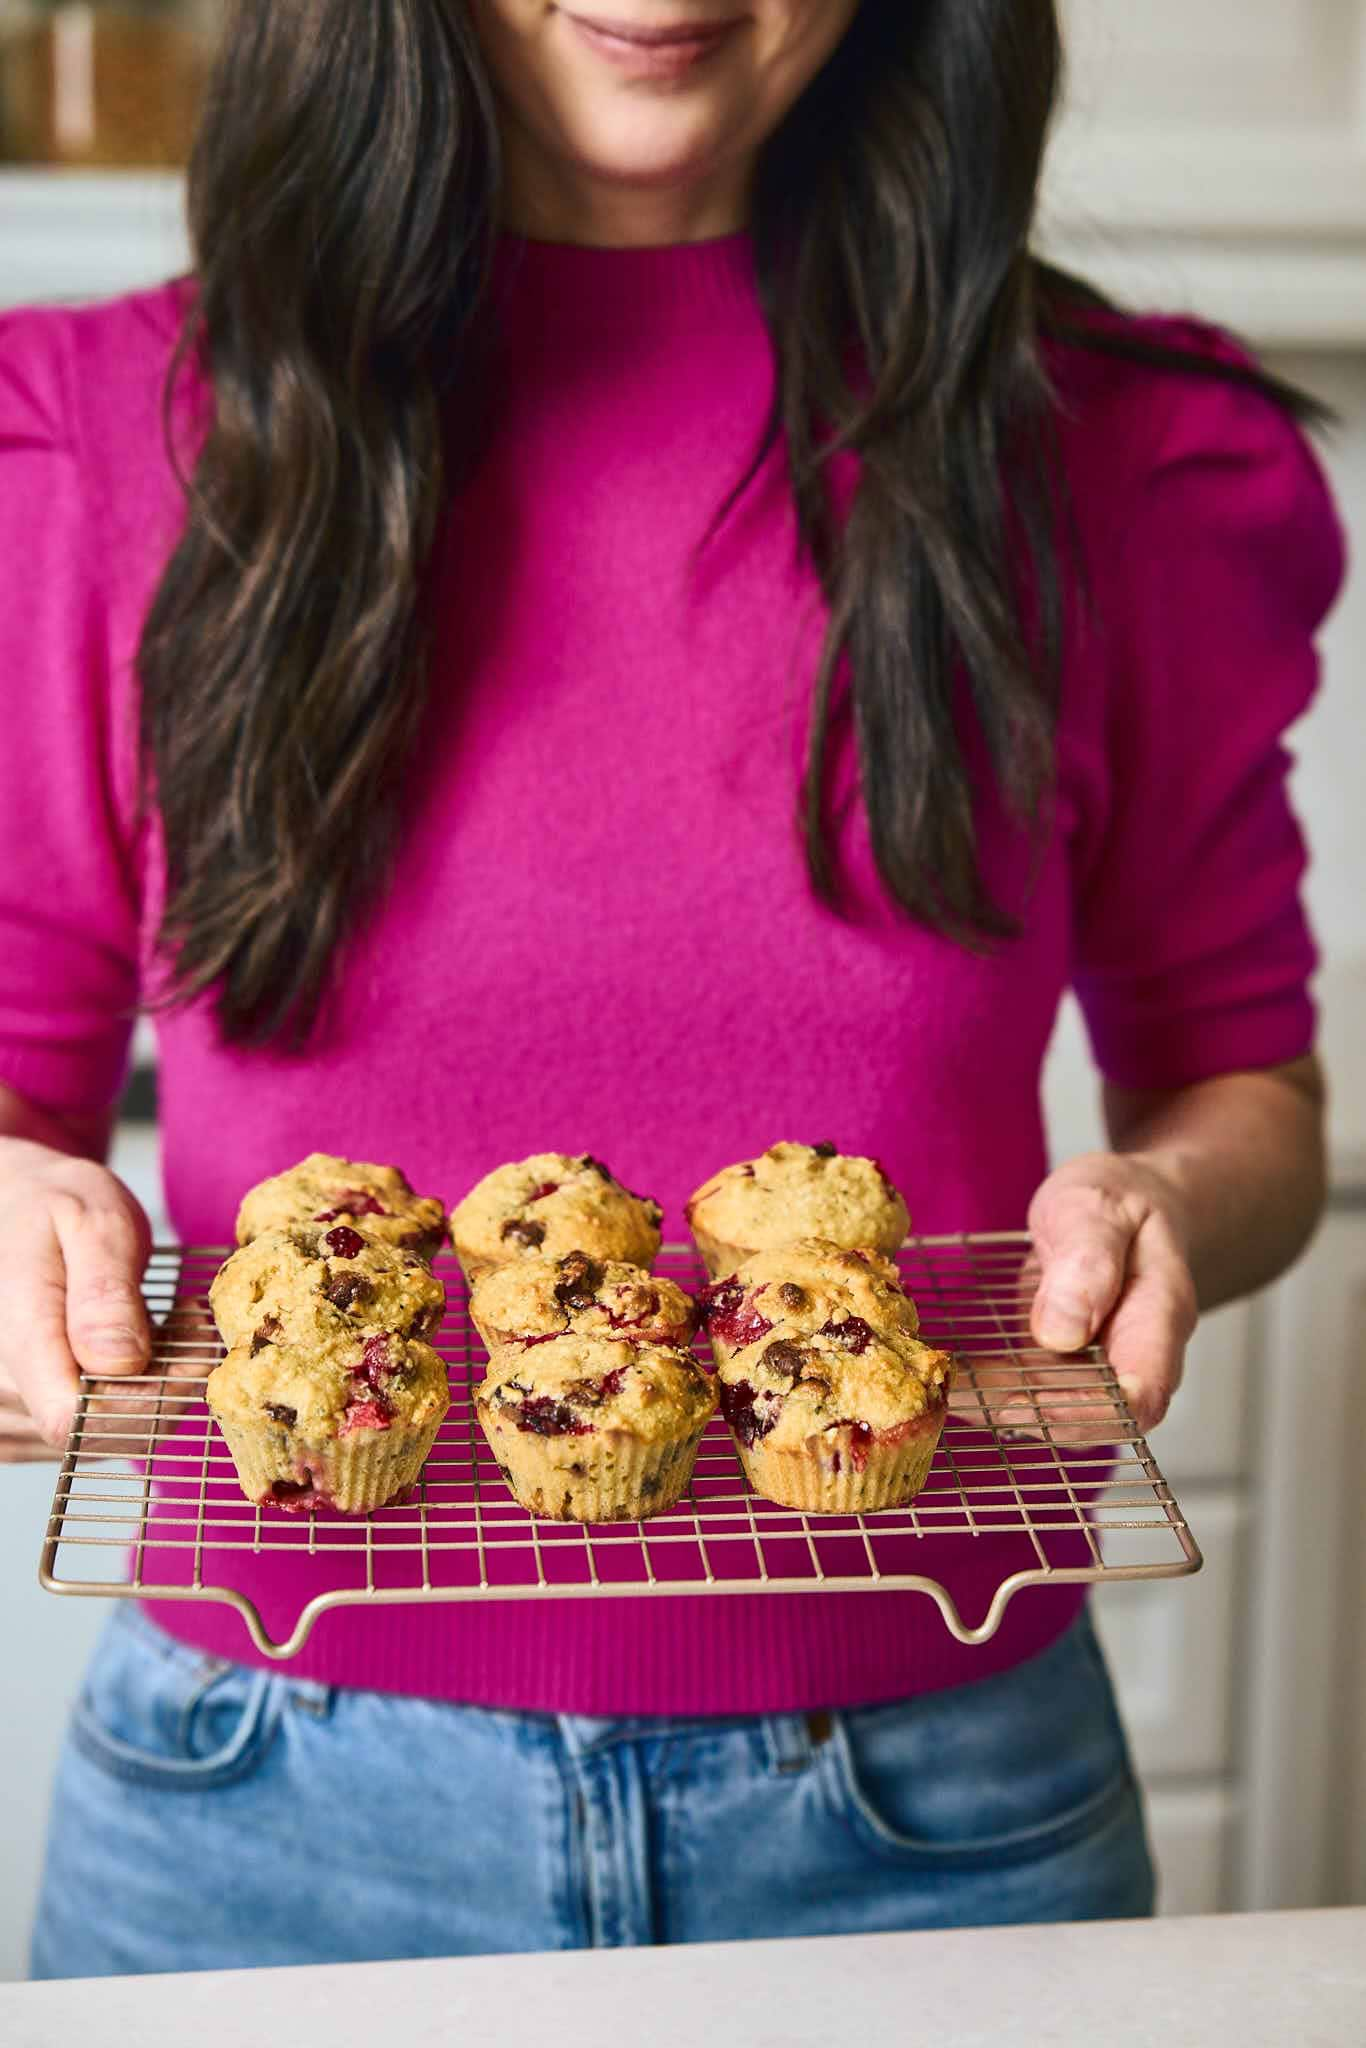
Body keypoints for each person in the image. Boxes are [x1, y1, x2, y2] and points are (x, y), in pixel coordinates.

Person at [0, 0, 1343, 1976]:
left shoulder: (1125, 457)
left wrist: (1159, 1206)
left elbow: (1249, 1100)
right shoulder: (101, 448)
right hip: (257, 1821)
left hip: (938, 1814)